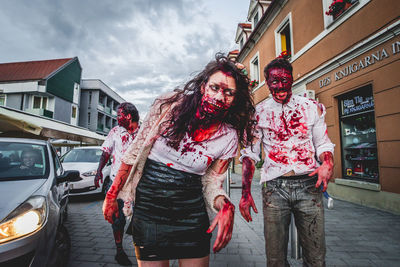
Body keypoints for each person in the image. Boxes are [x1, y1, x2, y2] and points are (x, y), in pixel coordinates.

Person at [102, 53, 255, 267]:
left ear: (234, 100)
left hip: (191, 216)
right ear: (203, 87)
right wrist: (111, 196)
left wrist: (226, 206)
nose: (220, 97)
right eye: (215, 88)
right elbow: (134, 152)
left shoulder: (228, 136)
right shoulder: (169, 106)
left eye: (229, 93)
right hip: (150, 211)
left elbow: (212, 183)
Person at [239, 56, 335, 267]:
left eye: (285, 80)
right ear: (266, 82)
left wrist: (327, 163)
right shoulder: (259, 113)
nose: (280, 85)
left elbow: (323, 144)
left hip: (310, 185)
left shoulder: (312, 107)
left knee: (316, 257)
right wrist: (245, 193)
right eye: (274, 81)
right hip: (274, 187)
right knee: (275, 259)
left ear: (292, 79)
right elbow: (249, 154)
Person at [94, 102, 139, 266]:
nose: (116, 118)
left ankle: (141, 247)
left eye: (119, 115)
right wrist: (99, 171)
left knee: (140, 218)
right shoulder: (115, 132)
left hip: (137, 184)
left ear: (128, 116)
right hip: (117, 184)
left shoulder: (143, 133)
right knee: (118, 220)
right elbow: (105, 152)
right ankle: (119, 251)